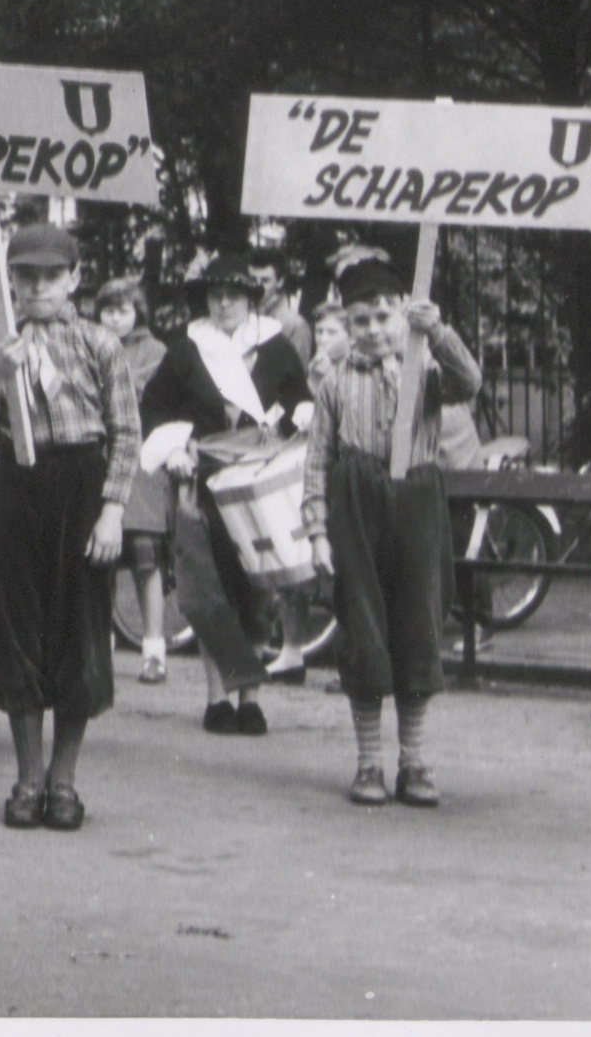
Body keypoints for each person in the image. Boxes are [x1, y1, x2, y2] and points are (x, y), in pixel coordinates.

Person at [0, 222, 139, 833]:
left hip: (81, 487)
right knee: (17, 629)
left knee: (78, 632)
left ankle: (64, 779)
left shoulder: (99, 343)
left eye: (52, 276)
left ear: (75, 278)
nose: (38, 288)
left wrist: (112, 509)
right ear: (8, 280)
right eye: (26, 276)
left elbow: (126, 432)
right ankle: (27, 778)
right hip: (17, 486)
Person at [302, 257, 483, 807]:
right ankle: (369, 762)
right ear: (347, 324)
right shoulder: (335, 381)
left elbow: (469, 382)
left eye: (384, 317)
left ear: (402, 313)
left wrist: (438, 331)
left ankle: (414, 760)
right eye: (361, 320)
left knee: (416, 625)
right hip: (357, 502)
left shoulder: (424, 366)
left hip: (416, 499)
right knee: (363, 624)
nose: (374, 330)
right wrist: (317, 530)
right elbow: (318, 458)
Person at [139, 255, 312, 732]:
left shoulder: (275, 347)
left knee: (256, 589)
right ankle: (218, 698)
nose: (224, 304)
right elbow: (155, 408)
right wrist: (174, 448)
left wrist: (297, 423)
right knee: (210, 587)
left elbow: (301, 402)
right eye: (215, 296)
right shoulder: (187, 350)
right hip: (205, 480)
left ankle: (250, 698)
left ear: (251, 300)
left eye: (234, 295)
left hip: (257, 480)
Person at [92, 277, 173, 683]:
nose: (115, 318)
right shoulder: (89, 344)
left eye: (123, 310)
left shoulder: (156, 352)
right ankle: (98, 648)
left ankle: (154, 649)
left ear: (138, 312)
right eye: (108, 310)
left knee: (146, 559)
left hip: (141, 468)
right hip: (99, 461)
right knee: (99, 561)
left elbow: (161, 404)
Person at [251, 248, 313, 367]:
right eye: (252, 280)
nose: (257, 286)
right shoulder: (242, 315)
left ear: (280, 281)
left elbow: (297, 372)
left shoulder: (295, 325)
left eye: (265, 280)